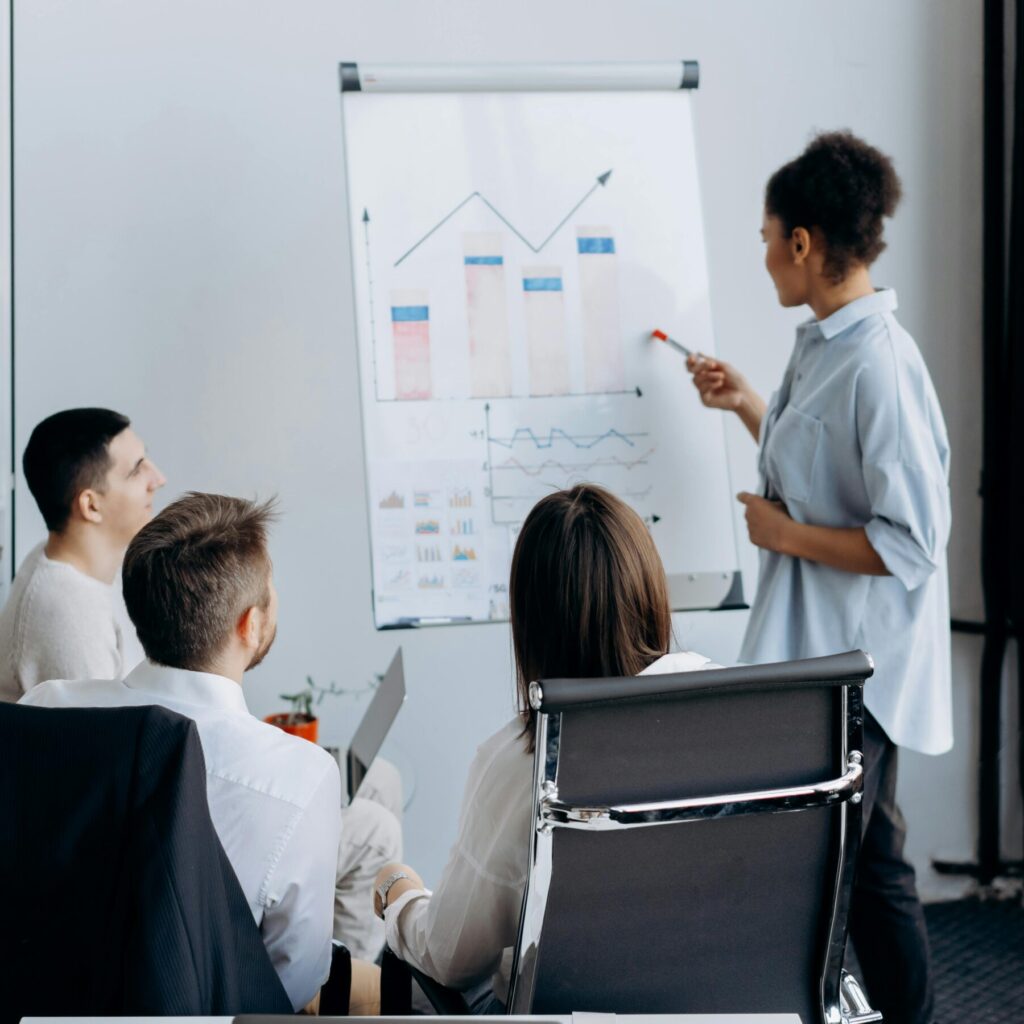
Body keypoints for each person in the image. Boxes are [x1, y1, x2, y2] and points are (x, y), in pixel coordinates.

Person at [688, 131, 949, 1024]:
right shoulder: (822, 343)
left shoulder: (880, 362)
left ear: (803, 242)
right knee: (870, 871)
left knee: (828, 882)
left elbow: (911, 542)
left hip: (860, 670)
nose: (762, 258)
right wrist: (746, 401)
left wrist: (787, 537)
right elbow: (818, 464)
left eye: (767, 238)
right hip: (823, 657)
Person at [20, 492, 389, 1011]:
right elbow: (293, 983)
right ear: (250, 624)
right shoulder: (301, 775)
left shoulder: (46, 709)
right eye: (269, 588)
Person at [372, 484, 713, 1008]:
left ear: (532, 622)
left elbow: (453, 957)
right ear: (649, 590)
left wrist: (399, 891)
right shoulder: (741, 720)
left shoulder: (525, 761)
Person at [0, 408, 165, 702]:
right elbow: (108, 742)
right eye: (137, 469)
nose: (159, 479)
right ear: (90, 506)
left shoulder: (83, 568)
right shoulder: (67, 615)